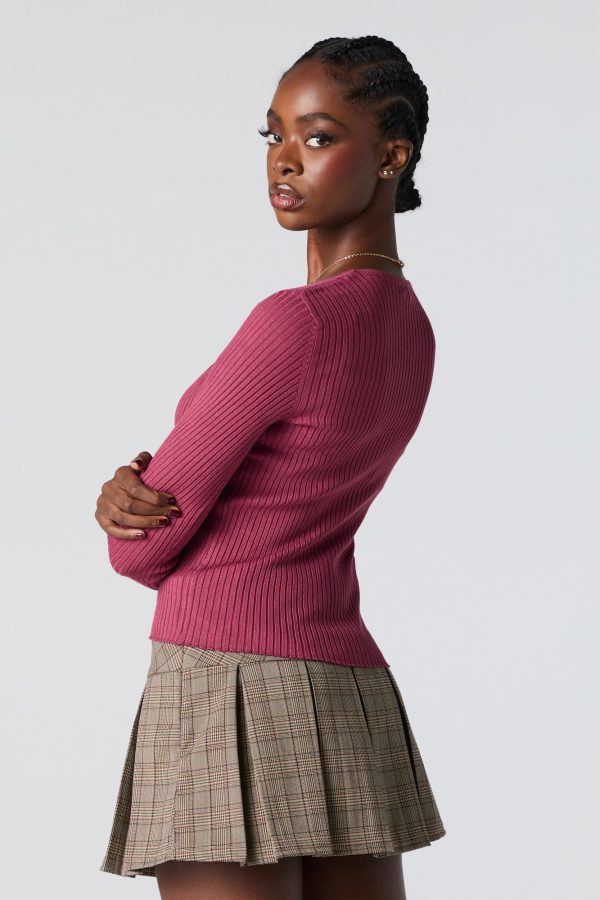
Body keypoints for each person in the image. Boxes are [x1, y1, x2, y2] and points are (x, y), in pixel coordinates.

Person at [95, 35, 446, 900]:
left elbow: (140, 550)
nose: (284, 160)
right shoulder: (410, 328)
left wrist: (128, 497)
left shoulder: (296, 323)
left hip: (225, 676)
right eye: (273, 135)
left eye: (319, 137)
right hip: (345, 684)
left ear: (392, 156)